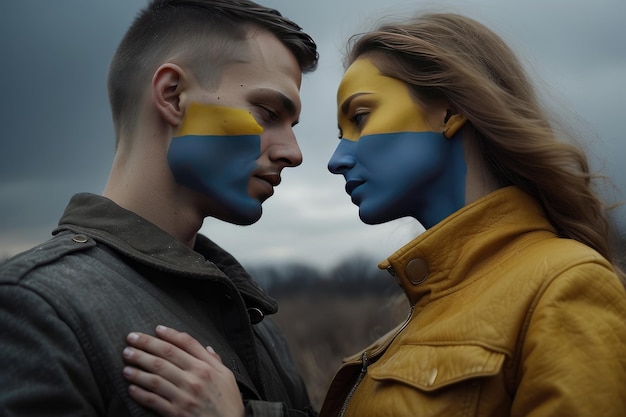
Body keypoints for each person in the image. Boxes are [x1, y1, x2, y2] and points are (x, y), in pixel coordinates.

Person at [116, 10, 626, 417]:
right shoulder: (420, 317)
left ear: (450, 110)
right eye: (340, 134)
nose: (336, 159)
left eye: (361, 117)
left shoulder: (566, 287)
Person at [0, 0, 318, 416]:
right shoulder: (37, 308)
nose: (292, 153)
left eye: (292, 126)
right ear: (173, 96)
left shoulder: (257, 327)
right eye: (268, 113)